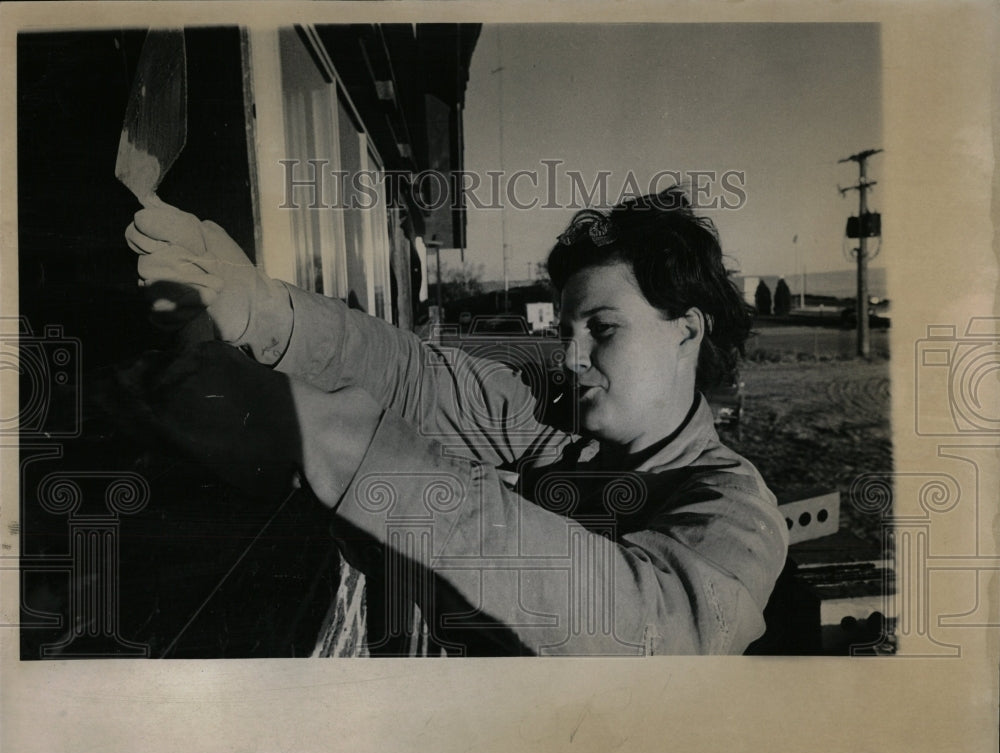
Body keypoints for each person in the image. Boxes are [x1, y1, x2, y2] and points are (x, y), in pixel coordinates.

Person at [124, 187, 788, 655]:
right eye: (567, 330)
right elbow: (413, 376)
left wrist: (330, 436)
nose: (572, 356)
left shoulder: (733, 509)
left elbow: (655, 629)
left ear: (687, 331)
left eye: (603, 329)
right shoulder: (558, 441)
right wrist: (263, 314)